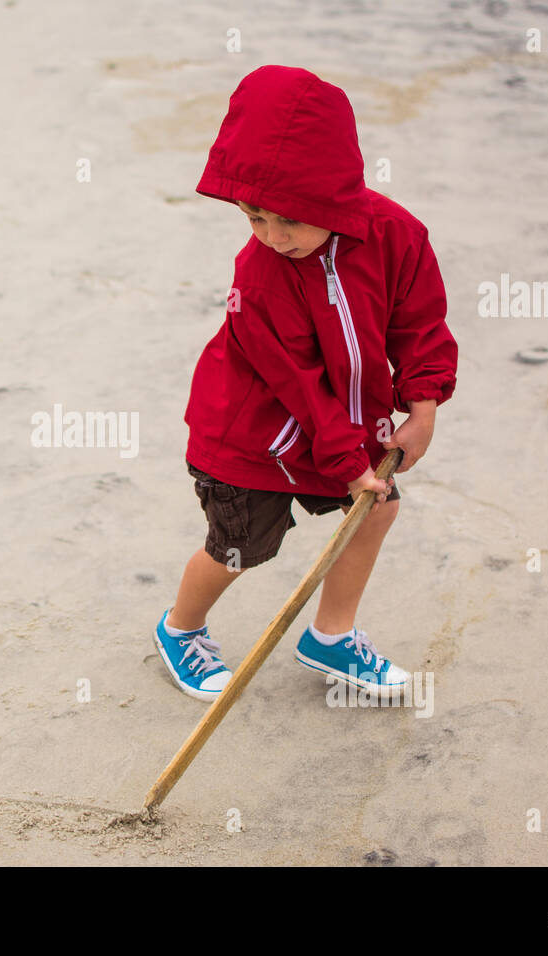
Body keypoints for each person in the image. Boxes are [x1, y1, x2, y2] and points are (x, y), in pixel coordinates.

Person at [153, 65, 458, 702]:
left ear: (333, 193)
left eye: (288, 218)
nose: (273, 235)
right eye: (254, 216)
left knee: (376, 509)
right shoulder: (261, 273)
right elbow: (297, 382)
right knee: (241, 545)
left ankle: (330, 636)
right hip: (252, 431)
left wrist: (424, 404)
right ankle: (181, 629)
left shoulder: (397, 235)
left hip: (344, 421)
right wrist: (348, 460)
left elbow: (419, 320)